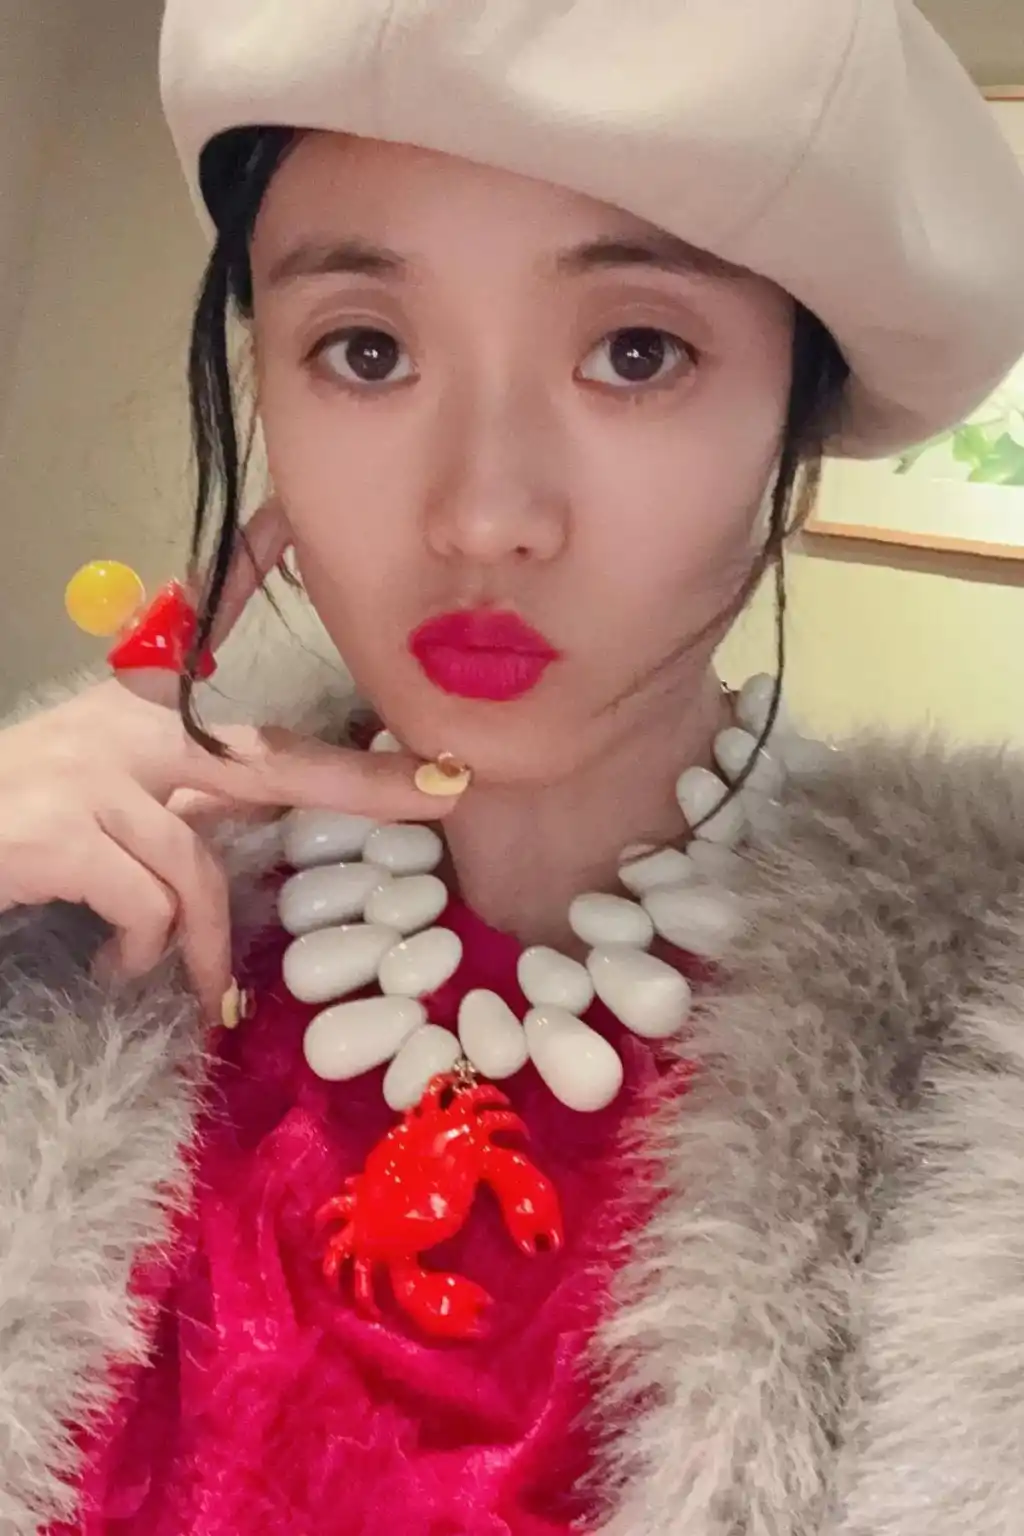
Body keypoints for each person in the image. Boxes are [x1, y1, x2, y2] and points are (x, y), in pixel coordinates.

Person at [2, 1, 1024, 1531]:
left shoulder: (979, 1065)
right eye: (366, 351)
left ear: (794, 416)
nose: (484, 514)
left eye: (634, 353)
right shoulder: (76, 922)